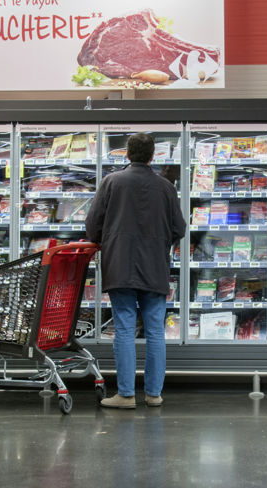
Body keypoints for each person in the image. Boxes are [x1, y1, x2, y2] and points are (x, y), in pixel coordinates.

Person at [86, 133, 186, 409]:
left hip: (120, 264)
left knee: (125, 329)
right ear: (153, 156)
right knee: (155, 331)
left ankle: (126, 395)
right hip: (155, 266)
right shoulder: (165, 187)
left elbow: (93, 225)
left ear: (127, 155)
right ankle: (153, 394)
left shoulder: (111, 182)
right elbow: (179, 229)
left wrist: (105, 239)